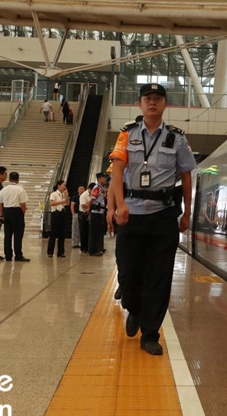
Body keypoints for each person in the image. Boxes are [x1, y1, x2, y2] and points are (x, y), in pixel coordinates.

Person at [108, 83, 196, 356]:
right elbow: (117, 171)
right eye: (148, 98)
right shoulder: (126, 134)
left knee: (160, 276)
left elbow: (186, 176)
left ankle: (150, 334)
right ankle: (134, 308)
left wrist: (188, 213)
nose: (153, 102)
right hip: (131, 214)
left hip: (163, 215)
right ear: (140, 104)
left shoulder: (176, 138)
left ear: (165, 104)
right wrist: (118, 206)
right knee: (129, 273)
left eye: (158, 98)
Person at [0, 172, 30, 262]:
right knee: (18, 235)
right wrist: (22, 213)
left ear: (9, 179)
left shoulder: (3, 190)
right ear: (18, 179)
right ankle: (18, 255)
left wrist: (1, 215)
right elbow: (23, 204)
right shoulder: (20, 190)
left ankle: (8, 255)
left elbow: (0, 204)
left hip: (6, 212)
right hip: (17, 212)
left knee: (7, 235)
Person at [48, 180, 70, 258]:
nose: (64, 187)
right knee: (53, 233)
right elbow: (51, 203)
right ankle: (50, 252)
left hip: (62, 213)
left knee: (62, 234)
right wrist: (62, 201)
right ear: (58, 185)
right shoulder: (54, 194)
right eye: (63, 185)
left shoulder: (63, 195)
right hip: (55, 213)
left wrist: (66, 196)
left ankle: (61, 252)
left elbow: (67, 204)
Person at [88, 173, 108, 256]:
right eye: (104, 178)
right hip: (95, 212)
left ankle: (97, 248)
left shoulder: (101, 188)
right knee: (94, 232)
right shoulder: (97, 188)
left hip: (100, 212)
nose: (105, 179)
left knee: (98, 231)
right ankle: (92, 250)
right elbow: (92, 200)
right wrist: (89, 210)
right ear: (99, 179)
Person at [79, 183, 94, 254]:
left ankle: (88, 246)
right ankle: (83, 247)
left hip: (90, 214)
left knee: (89, 231)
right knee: (83, 231)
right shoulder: (84, 195)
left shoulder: (92, 195)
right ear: (90, 189)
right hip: (84, 214)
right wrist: (90, 205)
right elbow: (83, 205)